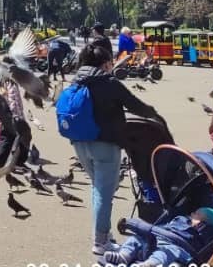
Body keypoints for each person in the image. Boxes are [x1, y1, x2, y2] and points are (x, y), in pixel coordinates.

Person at [69, 42, 164, 255]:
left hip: (79, 142)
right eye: (111, 63)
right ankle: (101, 240)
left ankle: (100, 233)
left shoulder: (75, 81)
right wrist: (154, 115)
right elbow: (134, 104)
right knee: (105, 191)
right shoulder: (108, 82)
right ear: (105, 64)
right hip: (105, 144)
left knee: (97, 187)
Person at [103, 208, 213, 267]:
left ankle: (150, 265)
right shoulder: (180, 219)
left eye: (197, 216)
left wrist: (206, 226)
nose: (192, 215)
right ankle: (124, 256)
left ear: (205, 225)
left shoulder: (203, 234)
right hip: (157, 237)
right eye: (194, 213)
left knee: (166, 252)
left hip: (177, 246)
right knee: (136, 238)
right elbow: (164, 225)